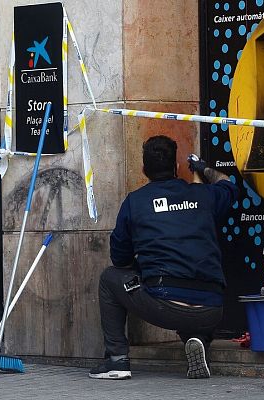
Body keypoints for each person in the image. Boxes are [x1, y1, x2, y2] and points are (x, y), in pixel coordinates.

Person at [88, 135, 239, 380]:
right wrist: (203, 168)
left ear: (143, 170)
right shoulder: (204, 195)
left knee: (110, 279)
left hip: (165, 304)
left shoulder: (135, 202)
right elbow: (229, 185)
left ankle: (117, 360)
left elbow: (119, 259)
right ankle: (197, 339)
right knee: (190, 282)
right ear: (177, 167)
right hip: (211, 309)